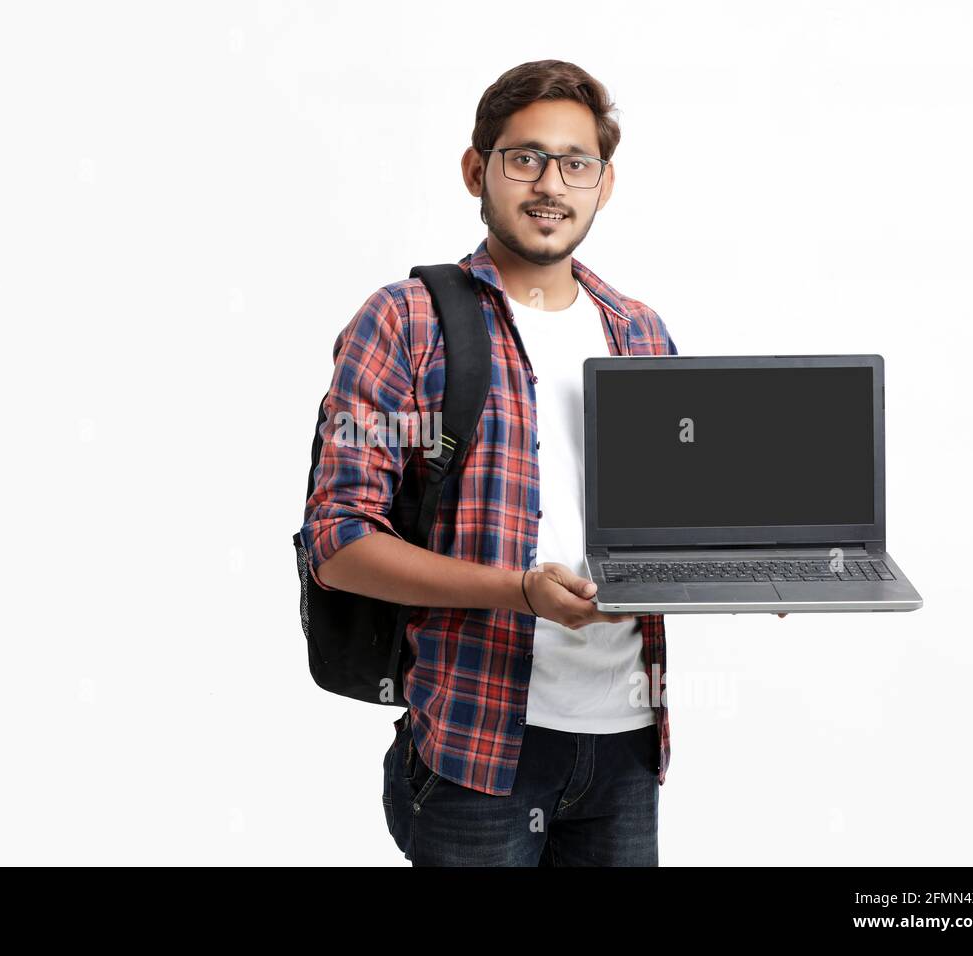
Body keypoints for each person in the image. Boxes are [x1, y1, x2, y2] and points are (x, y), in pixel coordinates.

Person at [299, 59, 784, 866]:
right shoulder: (407, 320)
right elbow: (338, 542)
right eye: (524, 158)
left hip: (628, 741)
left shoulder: (640, 332)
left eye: (575, 163)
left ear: (604, 183)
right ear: (475, 169)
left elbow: (673, 520)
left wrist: (748, 564)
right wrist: (518, 593)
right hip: (475, 744)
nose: (549, 183)